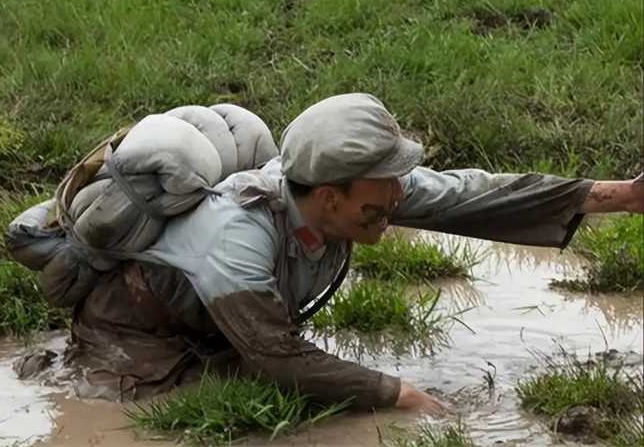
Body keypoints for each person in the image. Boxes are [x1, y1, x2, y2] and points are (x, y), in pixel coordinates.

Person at [59, 93, 642, 412]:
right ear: (331, 197)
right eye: (382, 191)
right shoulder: (236, 234)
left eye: (396, 180)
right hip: (133, 346)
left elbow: (467, 195)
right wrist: (401, 395)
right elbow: (277, 356)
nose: (397, 199)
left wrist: (622, 197)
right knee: (157, 419)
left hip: (217, 331)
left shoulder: (357, 191)